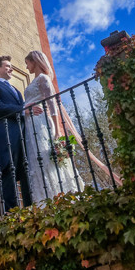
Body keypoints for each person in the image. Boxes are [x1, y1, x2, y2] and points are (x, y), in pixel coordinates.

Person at [22, 51, 85, 202]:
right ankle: (43, 198)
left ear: (35, 61)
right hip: (30, 125)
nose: (26, 67)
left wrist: (57, 131)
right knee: (36, 159)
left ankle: (59, 195)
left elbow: (52, 105)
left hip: (41, 122)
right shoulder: (34, 81)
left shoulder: (43, 79)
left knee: (45, 157)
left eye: (28, 63)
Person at [0, 55, 33, 211]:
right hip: (6, 131)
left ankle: (31, 208)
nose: (11, 69)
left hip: (23, 133)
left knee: (26, 171)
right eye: (8, 66)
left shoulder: (17, 90)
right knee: (8, 169)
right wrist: (23, 110)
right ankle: (12, 212)